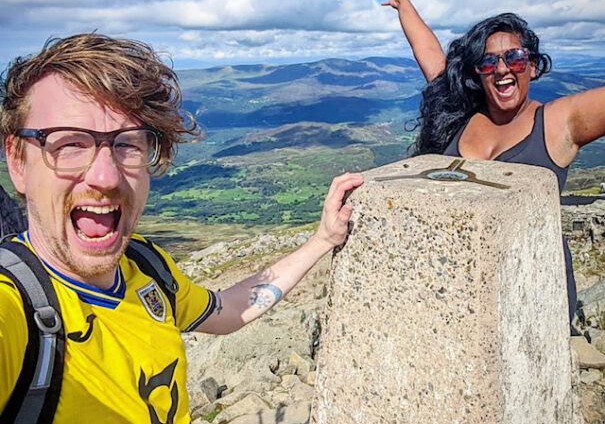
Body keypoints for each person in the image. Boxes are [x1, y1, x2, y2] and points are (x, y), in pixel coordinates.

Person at [0, 33, 364, 423]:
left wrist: (323, 239)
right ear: (17, 161)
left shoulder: (146, 266)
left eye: (128, 144)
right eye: (69, 143)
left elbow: (227, 311)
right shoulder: (15, 307)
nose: (105, 176)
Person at [383, 0, 605, 324]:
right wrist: (403, 4)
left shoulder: (556, 122)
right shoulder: (460, 112)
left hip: (532, 295)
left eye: (515, 58)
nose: (502, 69)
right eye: (489, 62)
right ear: (477, 73)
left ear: (531, 66)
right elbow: (428, 52)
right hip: (465, 288)